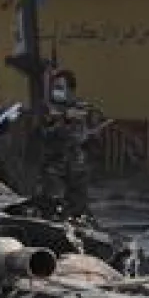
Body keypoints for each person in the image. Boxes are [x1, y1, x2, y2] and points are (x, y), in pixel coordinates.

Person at [39, 68, 104, 217]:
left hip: (77, 167)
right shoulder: (49, 109)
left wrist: (91, 135)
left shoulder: (83, 108)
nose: (56, 91)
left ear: (71, 90)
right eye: (54, 88)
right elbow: (45, 132)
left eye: (60, 88)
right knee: (54, 206)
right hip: (54, 167)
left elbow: (92, 132)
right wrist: (64, 119)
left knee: (79, 209)